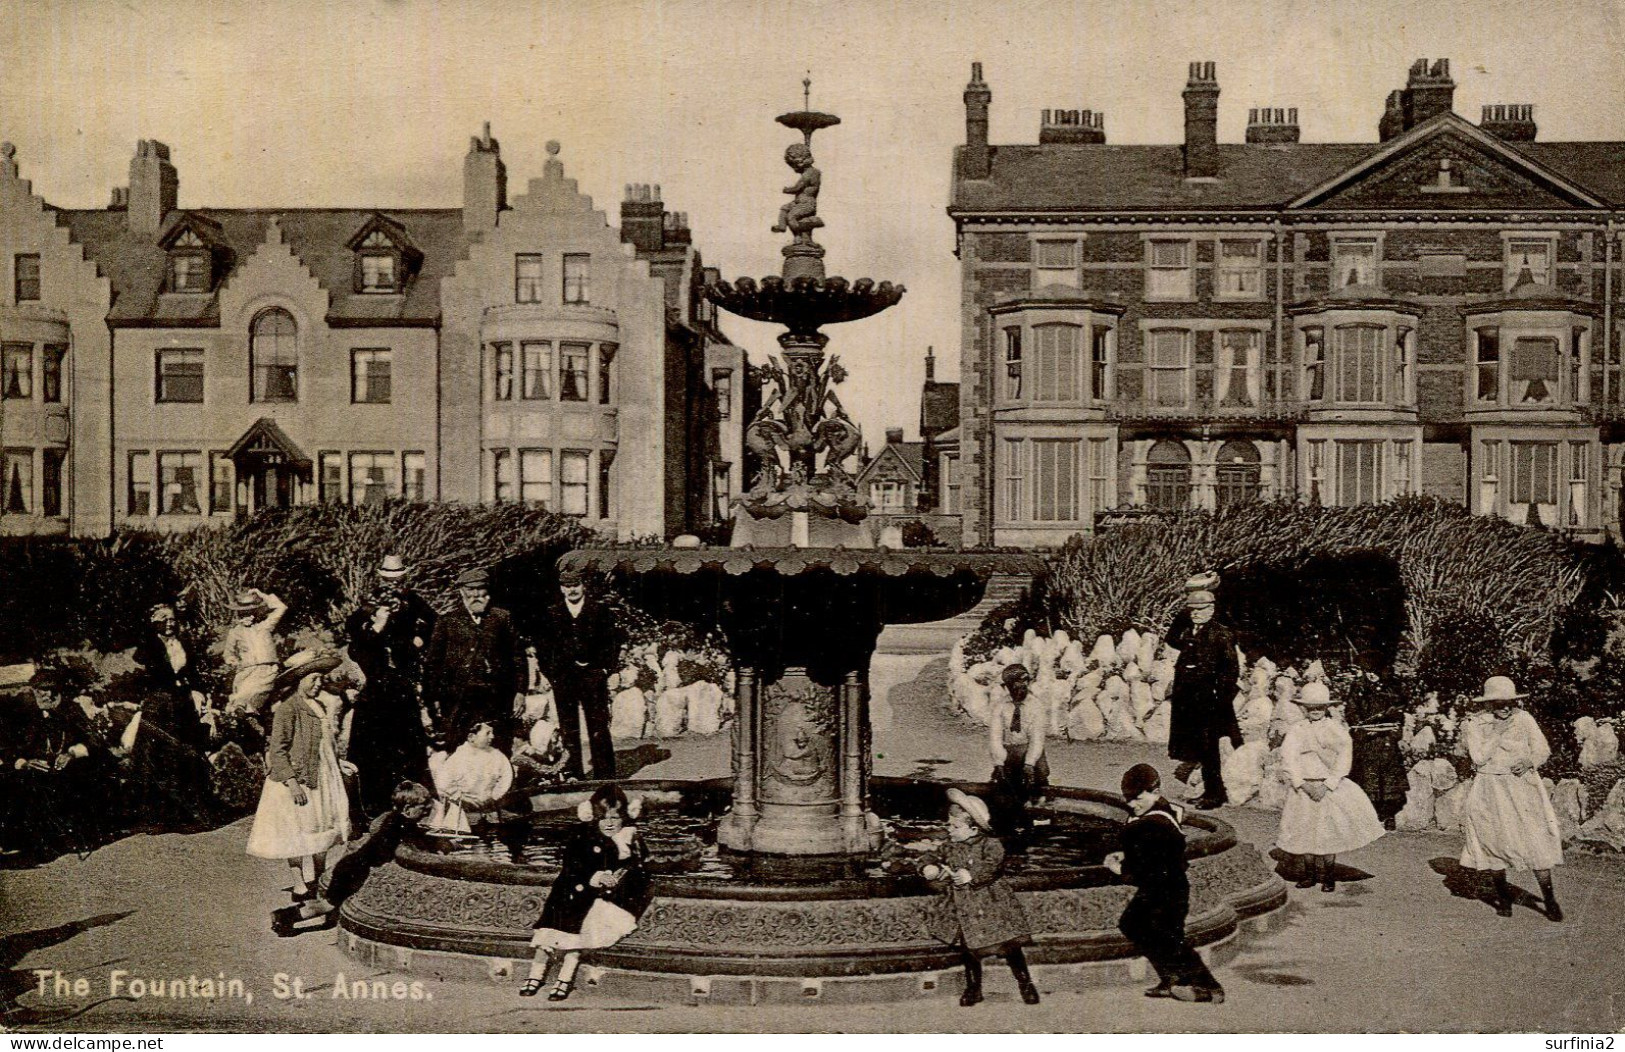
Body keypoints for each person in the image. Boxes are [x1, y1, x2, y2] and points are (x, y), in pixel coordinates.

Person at [1104, 763, 1224, 1003]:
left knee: (1164, 935)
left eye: (1138, 799)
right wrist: (1128, 854)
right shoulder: (1161, 811)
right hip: (1170, 885)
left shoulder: (1151, 824)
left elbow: (1143, 869)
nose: (1132, 804)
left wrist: (1117, 867)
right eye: (1129, 799)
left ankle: (1209, 987)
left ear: (1155, 791)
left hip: (1164, 888)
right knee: (1139, 926)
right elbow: (1155, 852)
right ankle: (1172, 979)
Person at [246, 651, 353, 909]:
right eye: (313, 679)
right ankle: (299, 882)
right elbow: (278, 750)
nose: (318, 684)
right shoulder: (289, 708)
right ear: (300, 680)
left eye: (320, 679)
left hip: (322, 776)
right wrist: (292, 783)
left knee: (321, 828)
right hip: (297, 779)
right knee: (295, 832)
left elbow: (326, 744)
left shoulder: (322, 706)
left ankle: (317, 877)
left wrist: (338, 763)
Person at [524, 783, 651, 1001]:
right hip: (568, 894)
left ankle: (565, 978)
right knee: (548, 937)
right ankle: (535, 975)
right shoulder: (581, 836)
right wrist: (597, 876)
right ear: (593, 816)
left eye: (615, 817)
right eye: (604, 818)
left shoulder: (627, 839)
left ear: (625, 817)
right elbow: (572, 866)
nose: (609, 823)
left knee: (578, 940)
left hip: (595, 898)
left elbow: (636, 866)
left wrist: (621, 873)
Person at [919, 788, 1041, 1006]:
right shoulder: (949, 846)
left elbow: (992, 865)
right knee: (969, 950)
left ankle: (1025, 983)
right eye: (949, 824)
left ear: (973, 829)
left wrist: (970, 875)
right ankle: (973, 988)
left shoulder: (990, 845)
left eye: (955, 826)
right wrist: (928, 866)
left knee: (1010, 946)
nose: (950, 830)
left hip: (992, 903)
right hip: (964, 907)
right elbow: (932, 856)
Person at [1458, 676, 1564, 921]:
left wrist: (1529, 761)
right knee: (1494, 840)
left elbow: (1542, 749)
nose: (1505, 708)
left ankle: (1549, 899)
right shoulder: (1476, 723)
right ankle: (1503, 897)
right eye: (1498, 703)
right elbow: (1478, 757)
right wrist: (1496, 732)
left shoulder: (1524, 719)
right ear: (1488, 704)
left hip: (1520, 787)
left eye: (1509, 702)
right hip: (1489, 788)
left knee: (1535, 839)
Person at [272, 781, 432, 937]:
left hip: (349, 864)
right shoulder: (404, 825)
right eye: (423, 808)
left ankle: (284, 913)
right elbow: (416, 846)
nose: (426, 813)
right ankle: (285, 918)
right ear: (408, 809)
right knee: (327, 905)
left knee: (325, 901)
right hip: (353, 870)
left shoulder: (391, 818)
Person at [344, 555, 436, 818]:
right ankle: (370, 808)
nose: (393, 584)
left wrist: (419, 641)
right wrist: (376, 623)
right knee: (371, 748)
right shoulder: (371, 601)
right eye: (388, 579)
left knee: (408, 745)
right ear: (380, 578)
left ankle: (412, 805)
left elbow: (434, 623)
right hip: (376, 687)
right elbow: (354, 634)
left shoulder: (414, 601)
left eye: (397, 579)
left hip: (402, 684)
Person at [1276, 681, 1386, 892]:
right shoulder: (1297, 730)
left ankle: (1327, 875)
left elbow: (1344, 757)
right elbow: (1288, 758)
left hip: (1326, 786)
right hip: (1305, 787)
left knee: (1327, 832)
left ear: (1327, 708)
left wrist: (1329, 784)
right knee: (1305, 830)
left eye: (1320, 707)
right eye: (1310, 707)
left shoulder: (1335, 729)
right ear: (1303, 708)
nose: (1315, 711)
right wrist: (1301, 783)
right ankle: (1309, 873)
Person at [0, 669, 114, 861]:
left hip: (66, 767)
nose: (41, 696)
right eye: (36, 691)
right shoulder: (26, 713)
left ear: (55, 692)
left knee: (76, 777)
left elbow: (93, 741)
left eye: (45, 691)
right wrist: (25, 762)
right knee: (11, 779)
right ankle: (21, 841)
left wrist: (71, 753)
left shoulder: (71, 710)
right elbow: (10, 747)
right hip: (33, 768)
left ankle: (72, 837)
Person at [129, 603, 218, 829]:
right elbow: (146, 672)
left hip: (181, 703)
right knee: (156, 757)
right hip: (158, 706)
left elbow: (192, 671)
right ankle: (157, 817)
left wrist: (199, 692)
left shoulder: (182, 643)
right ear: (155, 623)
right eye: (164, 620)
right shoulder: (148, 646)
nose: (170, 624)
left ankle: (188, 815)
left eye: (172, 620)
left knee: (186, 754)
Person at [422, 567, 525, 754]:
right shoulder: (447, 621)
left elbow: (518, 656)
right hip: (458, 699)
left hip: (496, 698)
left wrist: (520, 691)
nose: (476, 595)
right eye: (470, 590)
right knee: (458, 747)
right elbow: (433, 664)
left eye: (480, 589)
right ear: (462, 592)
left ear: (488, 591)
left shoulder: (502, 618)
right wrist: (432, 698)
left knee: (499, 746)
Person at [1164, 573, 1241, 809]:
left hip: (1211, 702)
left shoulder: (1220, 635)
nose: (1195, 613)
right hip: (1191, 702)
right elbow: (1171, 638)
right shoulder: (1189, 634)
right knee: (1200, 747)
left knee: (1210, 749)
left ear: (1211, 609)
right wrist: (1184, 613)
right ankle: (1209, 790)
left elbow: (1231, 671)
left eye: (1200, 609)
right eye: (1192, 610)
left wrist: (1220, 699)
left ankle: (1215, 794)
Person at [536, 567, 621, 780]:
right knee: (568, 728)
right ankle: (573, 773)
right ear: (561, 588)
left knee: (598, 726)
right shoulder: (551, 614)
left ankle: (605, 776)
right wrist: (552, 675)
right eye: (567, 586)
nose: (572, 590)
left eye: (576, 585)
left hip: (593, 677)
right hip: (564, 679)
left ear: (584, 586)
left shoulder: (600, 612)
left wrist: (604, 670)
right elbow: (544, 649)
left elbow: (612, 643)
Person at [987, 664, 1049, 839]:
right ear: (1007, 686)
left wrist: (1029, 763)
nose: (1020, 689)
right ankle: (1006, 820)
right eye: (1015, 685)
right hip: (1007, 750)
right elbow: (995, 737)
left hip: (1029, 748)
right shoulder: (1000, 706)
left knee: (1037, 779)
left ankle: (1039, 814)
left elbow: (1037, 739)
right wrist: (999, 762)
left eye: (1024, 684)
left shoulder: (1036, 706)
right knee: (1003, 784)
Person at [426, 721, 515, 834]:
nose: (492, 736)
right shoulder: (458, 757)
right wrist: (462, 798)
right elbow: (443, 782)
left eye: (492, 733)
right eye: (487, 733)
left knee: (493, 839)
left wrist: (494, 796)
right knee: (465, 840)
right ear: (471, 737)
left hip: (489, 806)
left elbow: (506, 777)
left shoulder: (497, 755)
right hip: (462, 810)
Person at [222, 589, 288, 715]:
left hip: (267, 670)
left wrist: (261, 594)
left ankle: (246, 711)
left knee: (257, 690)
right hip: (247, 672)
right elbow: (228, 653)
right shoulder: (235, 632)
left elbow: (281, 607)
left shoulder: (264, 626)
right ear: (238, 615)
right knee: (242, 694)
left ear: (255, 613)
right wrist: (232, 660)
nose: (248, 617)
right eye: (244, 614)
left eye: (251, 613)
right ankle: (238, 715)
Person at [771, 141, 822, 240]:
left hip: (806, 204)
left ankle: (801, 234)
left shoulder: (810, 173)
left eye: (794, 165)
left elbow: (797, 188)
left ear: (800, 161)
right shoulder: (808, 172)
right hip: (798, 202)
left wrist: (786, 190)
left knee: (791, 217)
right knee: (784, 208)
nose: (794, 168)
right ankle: (782, 226)